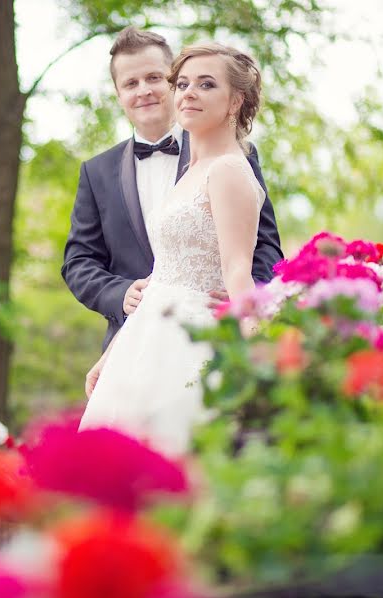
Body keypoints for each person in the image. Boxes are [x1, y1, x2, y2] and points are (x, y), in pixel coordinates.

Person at [61, 27, 282, 392]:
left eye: (154, 78)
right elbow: (78, 260)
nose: (144, 90)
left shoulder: (234, 158)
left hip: (213, 332)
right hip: (136, 341)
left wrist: (248, 303)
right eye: (130, 83)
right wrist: (122, 295)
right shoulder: (96, 171)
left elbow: (263, 245)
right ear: (118, 94)